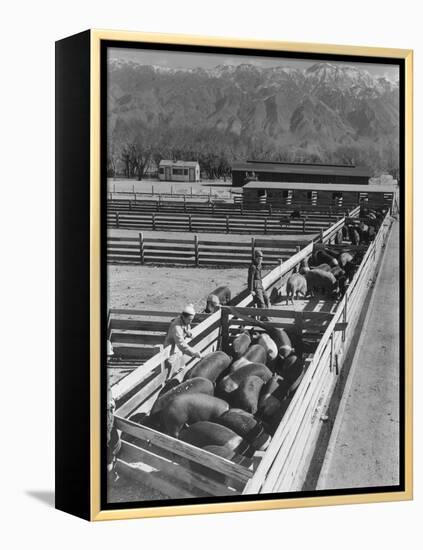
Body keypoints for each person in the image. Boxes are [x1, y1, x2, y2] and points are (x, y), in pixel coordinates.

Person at [164, 304, 202, 375]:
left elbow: (185, 329)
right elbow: (181, 343)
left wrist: (188, 333)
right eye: (189, 320)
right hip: (172, 351)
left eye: (192, 320)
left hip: (178, 350)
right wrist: (194, 352)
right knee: (173, 370)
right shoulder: (176, 326)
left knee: (181, 368)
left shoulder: (184, 321)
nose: (190, 322)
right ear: (184, 317)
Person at [248, 249, 270, 319]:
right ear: (255, 258)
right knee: (261, 302)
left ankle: (266, 315)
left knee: (266, 299)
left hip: (260, 285)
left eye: (261, 259)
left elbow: (259, 276)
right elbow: (250, 279)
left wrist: (262, 285)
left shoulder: (259, 265)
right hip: (255, 286)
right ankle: (263, 318)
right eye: (259, 259)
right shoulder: (253, 267)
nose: (260, 260)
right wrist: (251, 290)